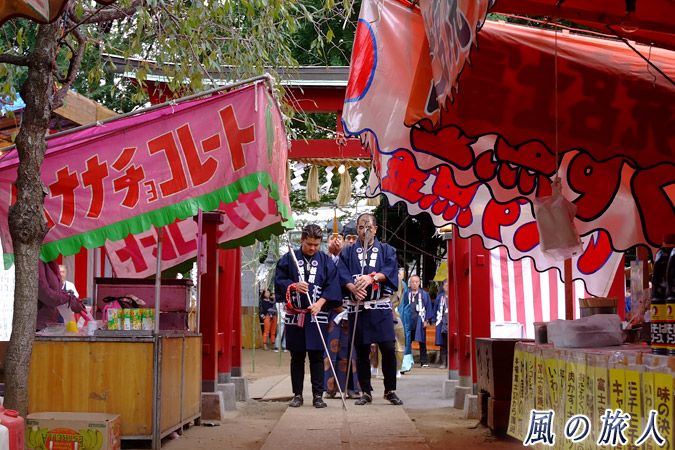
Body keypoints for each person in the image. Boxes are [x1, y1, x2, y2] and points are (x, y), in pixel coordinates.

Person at [338, 212, 403, 406]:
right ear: (357, 229)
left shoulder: (386, 249)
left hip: (380, 306)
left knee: (388, 348)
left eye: (368, 227)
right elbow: (342, 273)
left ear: (375, 229)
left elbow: (391, 269)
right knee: (361, 350)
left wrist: (371, 277)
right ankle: (365, 391)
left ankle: (390, 390)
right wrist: (352, 288)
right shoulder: (348, 252)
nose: (364, 231)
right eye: (361, 227)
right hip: (358, 307)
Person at [275, 224, 341, 408]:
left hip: (316, 315)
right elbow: (279, 281)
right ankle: (297, 394)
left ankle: (317, 395)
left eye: (316, 244)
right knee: (297, 356)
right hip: (295, 316)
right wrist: (293, 285)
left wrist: (320, 303)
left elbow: (333, 286)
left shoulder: (326, 261)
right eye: (309, 244)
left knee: (317, 357)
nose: (312, 248)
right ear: (302, 239)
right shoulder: (289, 259)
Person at [324, 220, 360, 399]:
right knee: (332, 349)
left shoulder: (360, 257)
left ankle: (353, 387)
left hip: (353, 309)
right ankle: (330, 387)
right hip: (333, 309)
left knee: (352, 350)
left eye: (355, 238)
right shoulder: (329, 258)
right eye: (348, 238)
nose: (351, 241)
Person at [37, 260, 85, 331]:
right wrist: (69, 300)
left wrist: (74, 301)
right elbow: (46, 293)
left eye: (63, 272)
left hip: (51, 323)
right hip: (37, 325)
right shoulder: (38, 261)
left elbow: (57, 291)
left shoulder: (52, 262)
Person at [405, 275, 433, 367]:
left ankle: (423, 361)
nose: (414, 284)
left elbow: (428, 308)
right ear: (410, 283)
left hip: (420, 321)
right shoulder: (406, 293)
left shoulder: (424, 294)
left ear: (419, 283)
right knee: (407, 342)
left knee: (422, 342)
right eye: (412, 282)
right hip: (408, 321)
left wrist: (426, 321)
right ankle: (407, 361)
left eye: (416, 282)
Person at [434, 279, 449, 369]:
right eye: (445, 286)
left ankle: (451, 362)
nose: (447, 287)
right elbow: (435, 309)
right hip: (442, 323)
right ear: (443, 287)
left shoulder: (454, 296)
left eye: (448, 286)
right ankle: (443, 362)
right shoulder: (440, 297)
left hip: (452, 323)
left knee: (451, 344)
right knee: (443, 344)